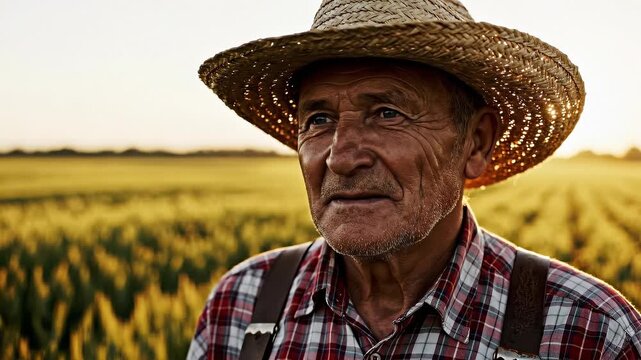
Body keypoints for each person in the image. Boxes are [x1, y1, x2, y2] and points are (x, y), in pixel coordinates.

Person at [188, 0, 641, 358]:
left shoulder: (589, 330)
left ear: (476, 143)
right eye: (319, 118)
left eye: (388, 113)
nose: (341, 158)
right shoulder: (241, 304)